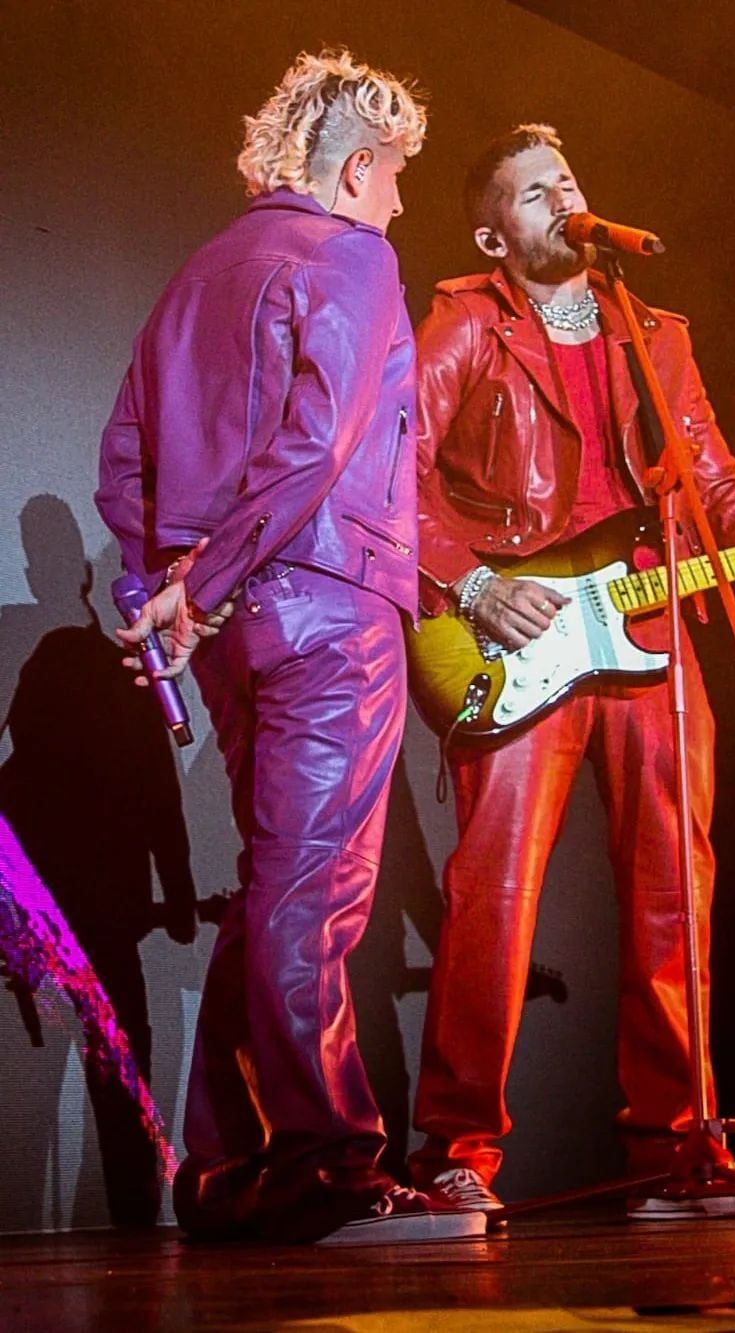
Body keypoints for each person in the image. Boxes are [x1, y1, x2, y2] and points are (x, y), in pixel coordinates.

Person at [406, 124, 735, 1222]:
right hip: (519, 631)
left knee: (677, 886)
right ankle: (455, 1155)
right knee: (494, 897)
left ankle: (678, 1149)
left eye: (566, 181)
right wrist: (473, 586)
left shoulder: (653, 333)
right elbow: (392, 474)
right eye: (533, 192)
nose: (561, 199)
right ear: (493, 235)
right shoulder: (465, 321)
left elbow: (715, 487)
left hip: (649, 628)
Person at [95, 50, 483, 1245]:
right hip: (326, 602)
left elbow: (124, 461)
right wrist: (200, 586)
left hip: (227, 628)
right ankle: (328, 1168)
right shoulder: (354, 255)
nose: (401, 202)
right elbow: (319, 442)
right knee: (313, 890)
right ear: (358, 169)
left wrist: (171, 591)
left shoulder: (197, 274)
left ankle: (229, 1170)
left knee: (276, 885)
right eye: (397, 175)